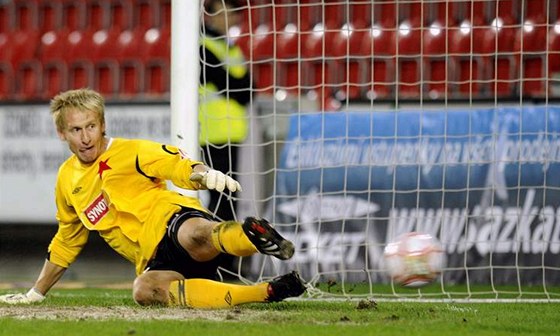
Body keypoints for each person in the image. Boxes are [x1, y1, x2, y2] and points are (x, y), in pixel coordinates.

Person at [0, 88, 305, 308]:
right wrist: (36, 293)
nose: (85, 137)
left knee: (198, 234)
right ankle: (269, 291)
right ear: (61, 133)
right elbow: (67, 239)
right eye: (76, 129)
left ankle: (253, 235)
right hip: (152, 257)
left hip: (171, 219)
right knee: (145, 290)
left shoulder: (131, 150)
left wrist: (201, 173)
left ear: (103, 125)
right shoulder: (67, 180)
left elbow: (174, 163)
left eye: (91, 126)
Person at [199, 0, 250, 223]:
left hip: (230, 132)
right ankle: (215, 252)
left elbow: (248, 90)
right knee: (222, 196)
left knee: (226, 196)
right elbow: (230, 85)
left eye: (233, 14)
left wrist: (237, 85)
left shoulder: (230, 47)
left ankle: (220, 253)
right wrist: (237, 85)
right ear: (211, 15)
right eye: (225, 13)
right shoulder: (202, 47)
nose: (231, 18)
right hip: (212, 133)